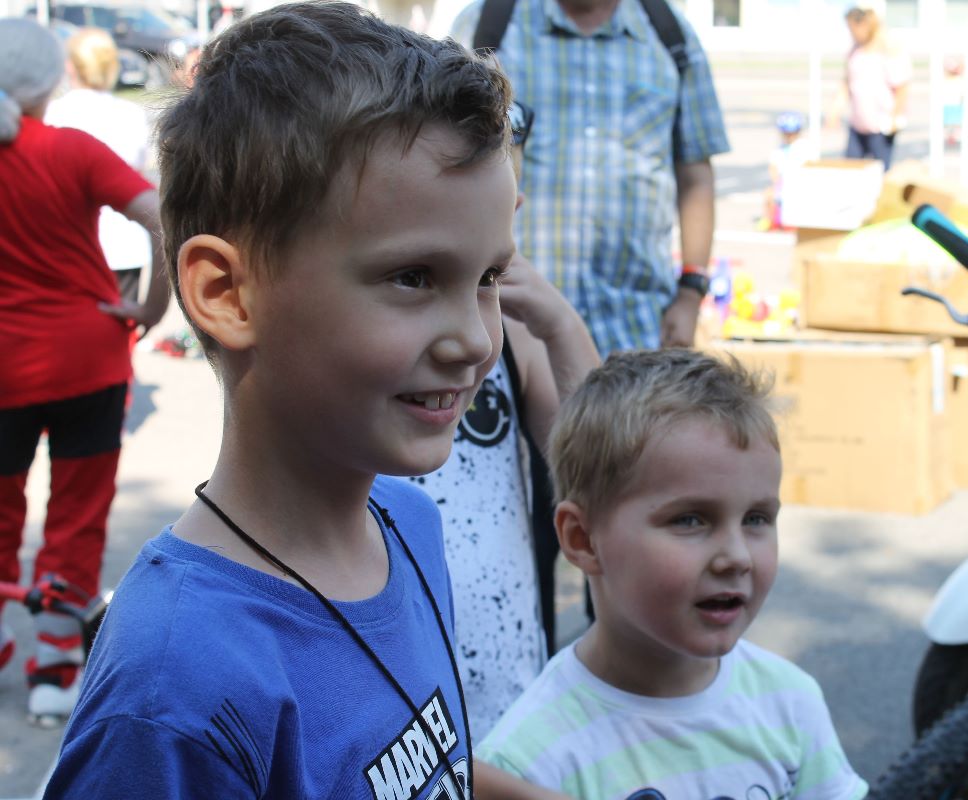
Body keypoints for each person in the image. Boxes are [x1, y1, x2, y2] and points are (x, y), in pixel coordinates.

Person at [44, 4, 567, 797]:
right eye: (414, 277)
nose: (474, 339)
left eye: (488, 277)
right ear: (228, 294)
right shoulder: (172, 692)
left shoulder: (409, 524)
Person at [478, 348, 869, 799]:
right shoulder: (526, 764)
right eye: (690, 519)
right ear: (583, 539)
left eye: (757, 518)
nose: (737, 557)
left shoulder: (790, 702)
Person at [409, 101, 601, 737]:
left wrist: (560, 325)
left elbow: (600, 466)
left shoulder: (509, 331)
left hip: (511, 699)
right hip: (405, 717)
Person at [0, 18, 169, 722]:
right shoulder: (71, 149)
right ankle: (55, 670)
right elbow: (163, 218)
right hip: (89, 362)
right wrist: (151, 309)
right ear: (52, 81)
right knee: (77, 517)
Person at [451, 0, 730, 357]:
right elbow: (443, 160)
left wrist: (691, 293)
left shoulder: (670, 34)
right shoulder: (486, 26)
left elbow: (695, 175)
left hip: (637, 326)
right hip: (510, 324)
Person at [46, 27, 154, 305]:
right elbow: (140, 172)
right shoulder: (131, 114)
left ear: (71, 66)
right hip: (124, 241)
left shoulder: (53, 114)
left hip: (69, 245)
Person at [838, 1, 911, 171]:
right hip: (858, 124)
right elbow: (847, 82)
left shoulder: (887, 51)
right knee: (850, 169)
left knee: (879, 171)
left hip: (880, 126)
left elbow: (902, 87)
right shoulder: (854, 51)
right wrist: (836, 110)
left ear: (864, 25)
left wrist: (894, 117)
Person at [758, 111, 815, 232]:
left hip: (799, 184)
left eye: (792, 134)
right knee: (769, 194)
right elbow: (773, 167)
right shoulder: (780, 149)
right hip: (783, 184)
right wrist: (776, 183)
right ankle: (769, 219)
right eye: (786, 134)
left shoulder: (804, 147)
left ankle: (794, 220)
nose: (789, 137)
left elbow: (810, 167)